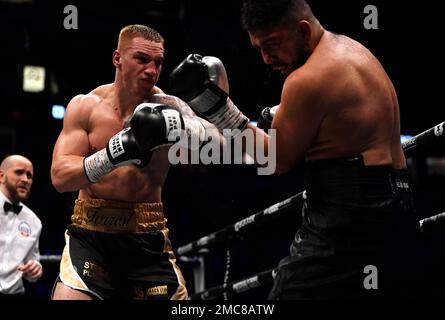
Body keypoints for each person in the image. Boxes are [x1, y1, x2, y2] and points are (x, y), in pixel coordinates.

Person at [169, 0, 421, 299]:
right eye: (258, 48)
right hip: (396, 205)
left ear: (302, 30)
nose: (265, 58)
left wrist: (220, 110)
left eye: (272, 44)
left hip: (350, 216)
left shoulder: (307, 79)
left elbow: (275, 160)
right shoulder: (353, 51)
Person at [50, 24, 216, 300]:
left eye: (158, 62)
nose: (151, 70)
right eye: (142, 59)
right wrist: (112, 155)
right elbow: (60, 178)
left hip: (147, 240)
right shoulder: (85, 106)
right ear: (117, 59)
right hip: (90, 235)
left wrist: (190, 129)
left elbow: (220, 144)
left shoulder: (170, 107)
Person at [0, 155, 43, 299]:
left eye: (29, 176)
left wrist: (35, 269)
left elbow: (33, 260)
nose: (25, 179)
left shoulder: (33, 222)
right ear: (1, 176)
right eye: (19, 172)